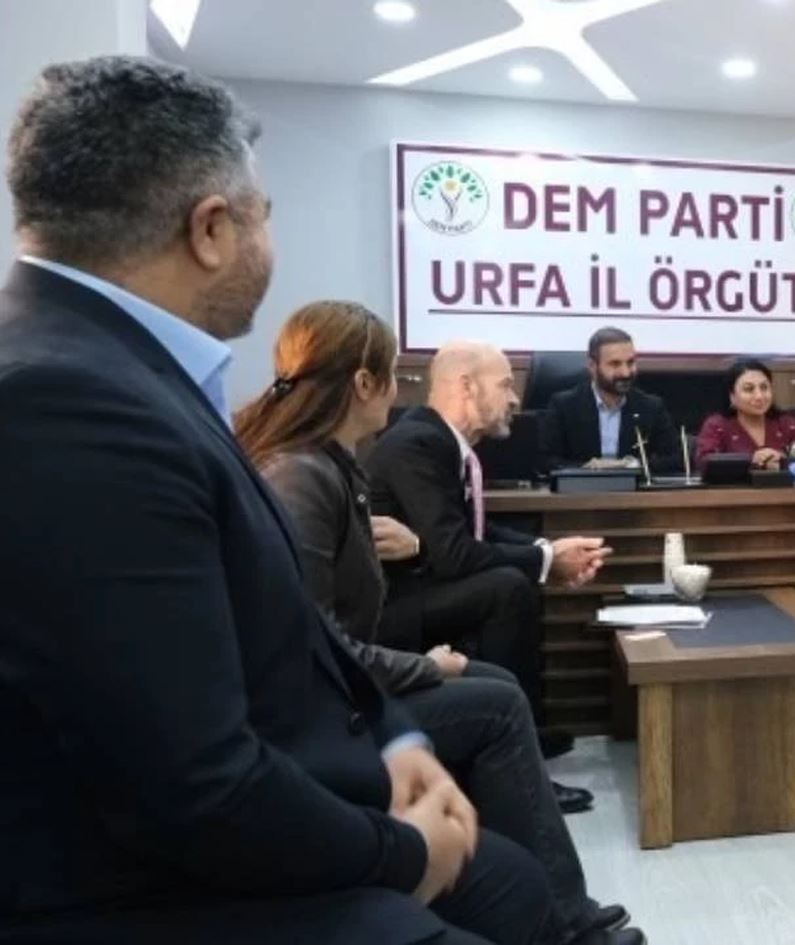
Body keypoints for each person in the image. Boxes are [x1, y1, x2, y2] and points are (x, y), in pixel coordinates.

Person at [0, 55, 549, 944]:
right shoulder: (65, 402)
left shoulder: (119, 366)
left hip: (263, 788)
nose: (270, 242)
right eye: (266, 214)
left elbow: (287, 616)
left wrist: (399, 739)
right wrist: (399, 851)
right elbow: (189, 782)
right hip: (137, 883)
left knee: (514, 886)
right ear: (212, 228)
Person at [234, 301, 641, 945]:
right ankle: (568, 923)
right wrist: (426, 665)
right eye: (393, 374)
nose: (402, 390)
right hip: (325, 714)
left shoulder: (329, 466)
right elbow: (313, 646)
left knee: (495, 686)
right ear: (364, 383)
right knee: (498, 700)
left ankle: (536, 885)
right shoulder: (305, 476)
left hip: (353, 684)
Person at [365, 341, 610, 742]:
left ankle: (524, 725)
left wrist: (546, 549)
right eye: (505, 385)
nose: (515, 399)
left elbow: (476, 528)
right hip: (395, 607)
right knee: (506, 588)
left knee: (509, 580)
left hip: (426, 585)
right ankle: (517, 733)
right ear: (467, 386)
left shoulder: (439, 440)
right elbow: (453, 553)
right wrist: (545, 561)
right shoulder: (417, 444)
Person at [539, 326, 680, 472]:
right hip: (581, 486)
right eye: (615, 364)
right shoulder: (564, 406)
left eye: (630, 362)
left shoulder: (651, 407)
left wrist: (628, 465)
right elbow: (545, 461)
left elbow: (676, 459)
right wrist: (588, 469)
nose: (625, 373)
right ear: (592, 366)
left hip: (634, 486)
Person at [693, 358, 795, 472]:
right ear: (732, 396)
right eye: (749, 389)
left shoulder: (786, 424)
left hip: (784, 494)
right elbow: (704, 463)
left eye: (764, 388)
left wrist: (783, 462)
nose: (759, 396)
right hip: (734, 495)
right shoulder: (717, 425)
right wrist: (752, 461)